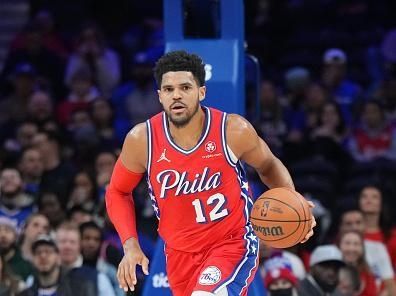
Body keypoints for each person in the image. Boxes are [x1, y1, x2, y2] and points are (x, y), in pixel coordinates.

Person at [105, 50, 316, 296]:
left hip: (231, 244)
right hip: (178, 254)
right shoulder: (142, 140)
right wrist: (130, 245)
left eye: (185, 87)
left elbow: (268, 165)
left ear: (201, 92)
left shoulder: (233, 130)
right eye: (169, 89)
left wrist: (293, 201)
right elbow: (118, 191)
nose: (177, 96)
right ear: (160, 96)